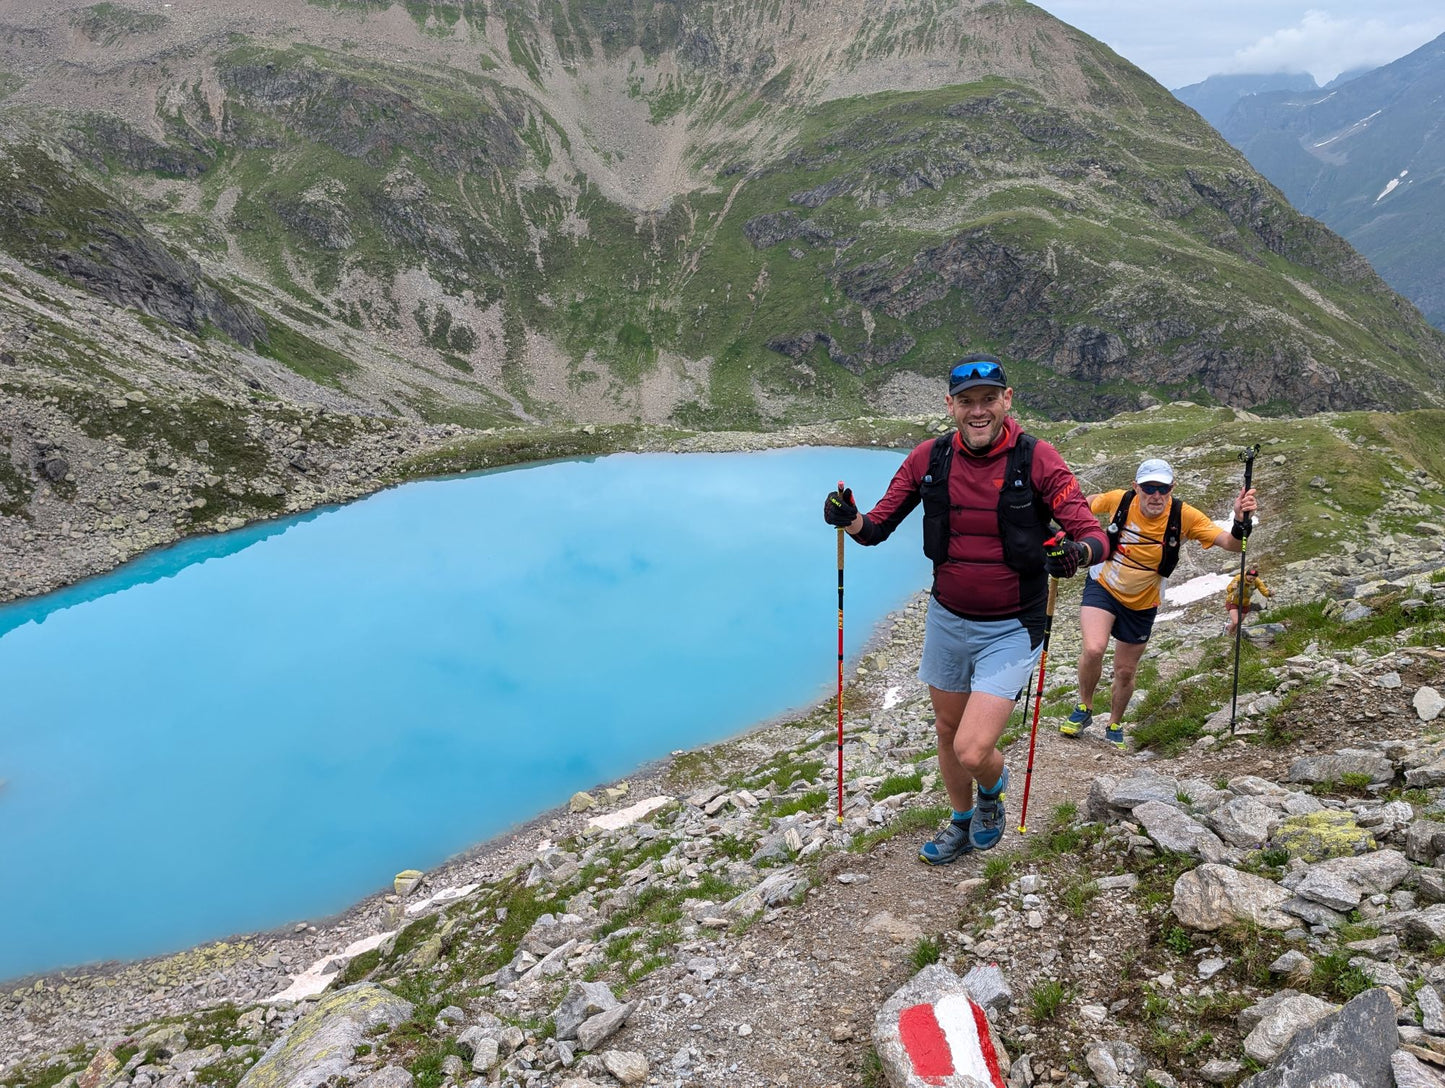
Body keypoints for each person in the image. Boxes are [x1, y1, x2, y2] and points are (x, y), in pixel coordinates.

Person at [823, 354, 1106, 865]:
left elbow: (1091, 532)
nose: (979, 411)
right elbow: (877, 527)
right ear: (950, 405)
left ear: (1007, 400)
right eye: (967, 402)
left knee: (972, 749)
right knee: (948, 732)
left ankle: (991, 793)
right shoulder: (929, 459)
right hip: (948, 617)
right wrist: (849, 519)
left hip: (1013, 625)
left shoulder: (1037, 460)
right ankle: (959, 819)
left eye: (989, 400)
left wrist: (1077, 554)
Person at [1060, 458, 1258, 748]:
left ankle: (1114, 723)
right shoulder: (1119, 501)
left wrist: (1241, 521)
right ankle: (1084, 708)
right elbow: (1085, 504)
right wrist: (1063, 526)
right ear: (1136, 487)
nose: (1156, 495)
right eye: (1149, 487)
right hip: (1102, 585)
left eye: (1162, 488)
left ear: (1172, 488)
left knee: (1125, 671)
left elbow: (1230, 543)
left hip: (1143, 602)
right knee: (1093, 648)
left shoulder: (1184, 516)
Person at [1225, 566, 1272, 636]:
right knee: (1236, 621)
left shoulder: (1257, 581)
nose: (1252, 580)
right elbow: (1228, 589)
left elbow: (1264, 591)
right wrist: (1233, 586)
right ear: (1246, 575)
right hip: (1233, 601)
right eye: (1250, 578)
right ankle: (1229, 635)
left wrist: (1269, 593)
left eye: (1254, 578)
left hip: (1245, 604)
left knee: (1239, 622)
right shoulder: (1238, 578)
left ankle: (1232, 631)